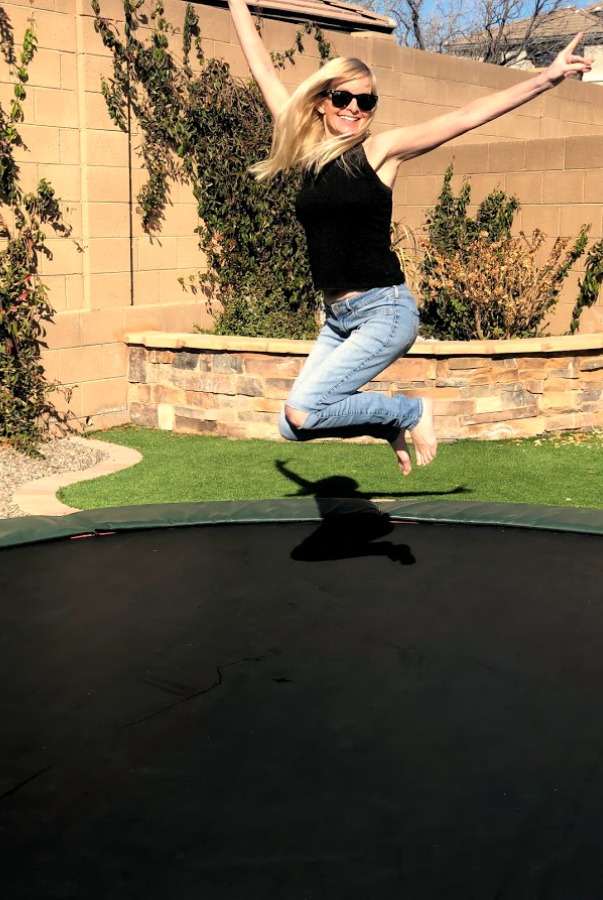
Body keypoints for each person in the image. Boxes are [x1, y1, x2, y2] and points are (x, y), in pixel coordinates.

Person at [228, 0, 592, 475]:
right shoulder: (307, 152)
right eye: (344, 99)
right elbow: (261, 67)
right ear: (322, 101)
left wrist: (546, 77)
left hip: (384, 310)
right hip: (338, 319)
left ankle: (409, 412)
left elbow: (466, 116)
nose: (355, 109)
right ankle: (387, 425)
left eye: (366, 101)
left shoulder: (381, 151)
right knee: (291, 425)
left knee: (303, 408)